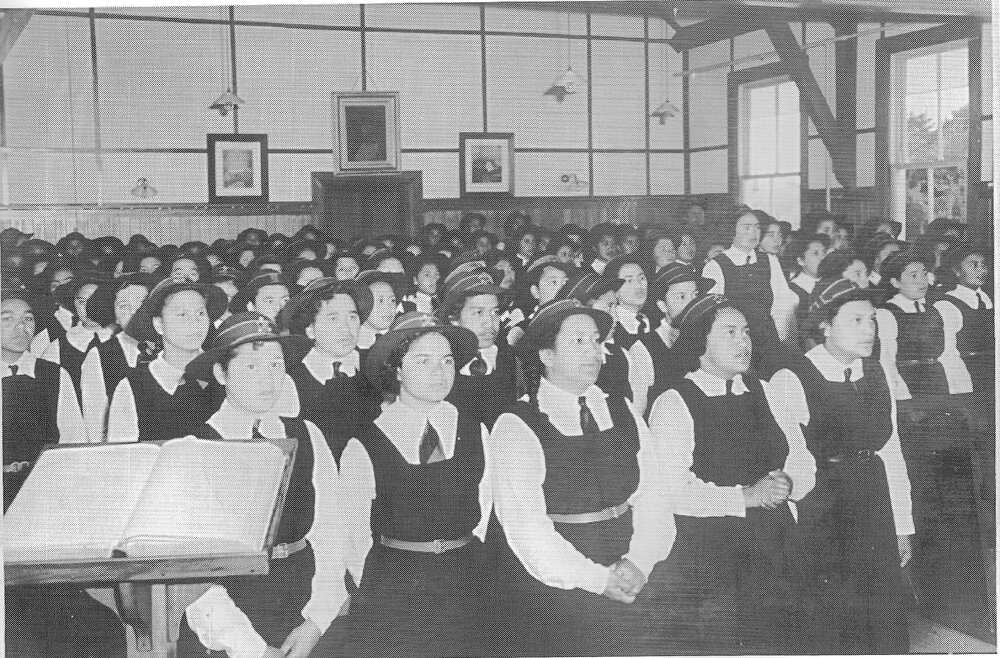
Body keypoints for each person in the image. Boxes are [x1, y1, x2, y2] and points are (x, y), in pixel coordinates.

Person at [491, 298, 674, 657]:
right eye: (578, 341)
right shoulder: (516, 425)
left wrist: (641, 560)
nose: (594, 351)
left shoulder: (622, 410)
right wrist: (598, 579)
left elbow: (654, 495)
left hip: (634, 574)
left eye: (596, 341)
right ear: (546, 354)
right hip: (560, 591)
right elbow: (527, 528)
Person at [177, 312, 348, 658]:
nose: (268, 379)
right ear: (221, 373)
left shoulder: (307, 434)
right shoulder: (194, 449)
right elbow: (192, 572)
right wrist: (251, 648)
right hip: (231, 616)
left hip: (305, 606)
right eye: (252, 367)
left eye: (276, 365)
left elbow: (332, 533)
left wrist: (316, 621)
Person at [646, 294, 804, 653]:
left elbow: (800, 456)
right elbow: (672, 490)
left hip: (776, 543)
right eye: (730, 332)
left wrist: (789, 483)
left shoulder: (766, 391)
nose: (743, 342)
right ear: (700, 342)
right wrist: (747, 495)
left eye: (746, 332)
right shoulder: (674, 402)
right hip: (711, 554)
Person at [767, 278, 914, 653]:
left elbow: (891, 452)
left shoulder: (878, 374)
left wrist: (901, 526)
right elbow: (790, 460)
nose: (870, 330)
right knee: (830, 622)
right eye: (857, 320)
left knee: (882, 620)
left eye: (873, 320)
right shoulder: (792, 377)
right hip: (822, 510)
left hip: (874, 503)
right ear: (825, 326)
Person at [339, 312, 493, 657]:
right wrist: (379, 589)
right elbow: (353, 532)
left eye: (447, 360)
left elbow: (485, 504)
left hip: (469, 580)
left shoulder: (475, 430)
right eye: (423, 361)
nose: (439, 372)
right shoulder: (365, 443)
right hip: (396, 590)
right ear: (397, 370)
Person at [107, 278, 227, 442]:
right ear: (158, 324)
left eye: (200, 313)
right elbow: (122, 457)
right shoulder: (133, 386)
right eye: (182, 314)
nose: (194, 322)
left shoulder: (227, 375)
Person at [282, 278, 382, 464]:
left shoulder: (375, 370)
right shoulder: (290, 381)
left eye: (352, 317)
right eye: (333, 318)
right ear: (310, 329)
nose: (346, 328)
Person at [3, 290, 86, 509]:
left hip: (44, 489)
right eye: (7, 318)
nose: (21, 327)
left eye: (28, 319)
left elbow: (74, 440)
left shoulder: (55, 375)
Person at [702, 210, 794, 372]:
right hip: (738, 343)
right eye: (746, 227)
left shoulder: (770, 260)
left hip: (769, 342)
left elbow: (782, 306)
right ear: (732, 230)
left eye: (757, 228)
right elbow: (713, 316)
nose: (753, 233)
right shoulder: (715, 266)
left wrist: (781, 341)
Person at [78, 274, 158, 442]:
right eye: (123, 306)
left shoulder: (172, 346)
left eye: (142, 303)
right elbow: (96, 428)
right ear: (114, 316)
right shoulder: (100, 356)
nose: (134, 311)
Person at [436, 267, 515, 430]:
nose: (489, 322)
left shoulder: (515, 363)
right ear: (454, 319)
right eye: (479, 312)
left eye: (495, 312)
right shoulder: (441, 368)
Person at [629, 263, 711, 416]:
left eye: (695, 295)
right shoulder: (643, 349)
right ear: (662, 306)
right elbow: (638, 411)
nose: (692, 303)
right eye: (681, 297)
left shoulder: (709, 339)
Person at [556, 270, 633, 403]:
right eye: (609, 307)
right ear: (580, 308)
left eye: (615, 307)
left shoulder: (621, 355)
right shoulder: (563, 361)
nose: (616, 318)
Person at [934, 244, 994, 397]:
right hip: (967, 378)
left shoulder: (987, 299)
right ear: (957, 271)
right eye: (974, 265)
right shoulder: (947, 304)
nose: (982, 270)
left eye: (984, 265)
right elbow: (948, 355)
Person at [605, 254, 651, 351]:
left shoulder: (654, 320)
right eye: (629, 281)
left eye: (642, 278)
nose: (639, 285)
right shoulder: (610, 329)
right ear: (615, 291)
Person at [355, 270, 407, 349]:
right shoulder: (349, 341)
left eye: (392, 300)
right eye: (380, 300)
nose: (388, 307)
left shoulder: (405, 339)